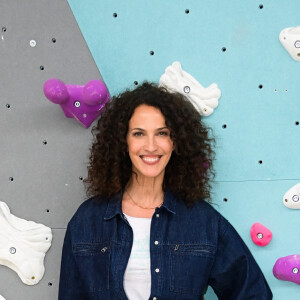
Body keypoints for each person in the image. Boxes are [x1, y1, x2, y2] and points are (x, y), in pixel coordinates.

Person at [58, 82, 273, 300]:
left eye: (162, 133)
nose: (151, 146)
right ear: (123, 142)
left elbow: (253, 293)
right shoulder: (87, 220)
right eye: (139, 134)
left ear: (175, 141)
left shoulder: (203, 221)